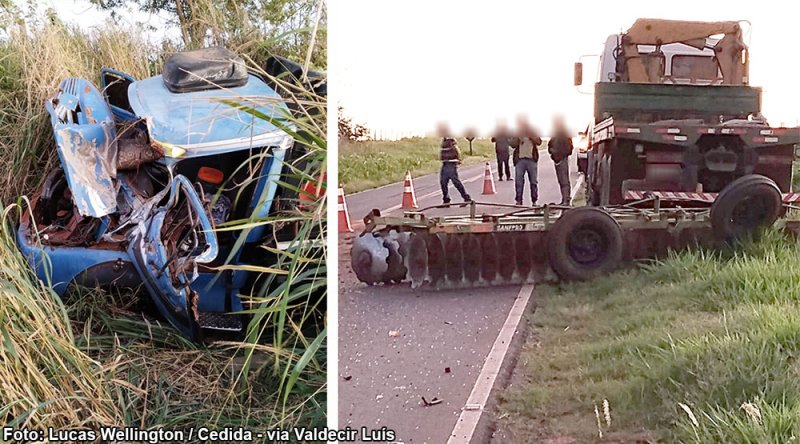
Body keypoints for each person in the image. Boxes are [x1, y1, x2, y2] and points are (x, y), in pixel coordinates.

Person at [548, 117, 574, 205]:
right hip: (557, 159)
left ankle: (566, 200)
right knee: (561, 180)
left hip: (562, 159)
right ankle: (564, 199)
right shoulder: (555, 135)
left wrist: (558, 153)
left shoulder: (564, 134)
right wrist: (552, 152)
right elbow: (550, 145)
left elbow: (569, 148)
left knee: (564, 180)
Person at [514, 123, 541, 205]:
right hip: (520, 160)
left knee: (533, 182)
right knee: (519, 181)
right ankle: (519, 200)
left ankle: (534, 200)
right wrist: (518, 139)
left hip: (531, 160)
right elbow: (512, 144)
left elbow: (539, 142)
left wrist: (532, 136)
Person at [439, 137, 471, 204]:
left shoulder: (452, 144)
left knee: (456, 182)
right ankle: (446, 200)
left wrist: (457, 161)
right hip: (445, 164)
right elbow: (441, 156)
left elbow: (457, 154)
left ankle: (466, 198)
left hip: (451, 164)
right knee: (443, 182)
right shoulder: (444, 144)